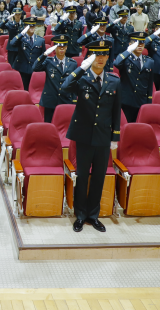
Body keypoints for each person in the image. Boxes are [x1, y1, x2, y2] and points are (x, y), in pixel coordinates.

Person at [62, 40, 121, 233]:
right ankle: (80, 215)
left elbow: (116, 111)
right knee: (83, 176)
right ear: (91, 57)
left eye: (104, 55)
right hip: (84, 135)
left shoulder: (114, 81)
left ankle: (93, 215)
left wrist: (115, 136)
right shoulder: (82, 79)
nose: (101, 58)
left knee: (98, 177)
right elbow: (64, 87)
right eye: (97, 55)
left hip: (103, 137)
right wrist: (81, 69)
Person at [31, 34, 77, 122]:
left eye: (64, 46)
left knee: (63, 126)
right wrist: (44, 55)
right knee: (49, 126)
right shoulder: (49, 61)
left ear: (67, 47)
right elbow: (35, 68)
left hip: (65, 100)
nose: (61, 49)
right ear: (55, 48)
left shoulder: (72, 63)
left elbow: (74, 83)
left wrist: (74, 100)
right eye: (59, 46)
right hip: (50, 100)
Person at [113, 32, 154, 122]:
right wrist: (128, 51)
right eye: (137, 43)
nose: (140, 45)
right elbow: (116, 63)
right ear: (130, 44)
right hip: (126, 100)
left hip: (141, 100)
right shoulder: (126, 59)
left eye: (142, 43)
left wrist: (149, 101)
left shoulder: (149, 61)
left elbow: (149, 84)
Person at [8, 17, 45, 90]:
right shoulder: (21, 38)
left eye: (33, 25)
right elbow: (12, 43)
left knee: (33, 91)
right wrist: (22, 33)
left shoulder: (40, 40)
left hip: (34, 70)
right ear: (25, 27)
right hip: (22, 69)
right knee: (22, 90)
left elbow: (43, 56)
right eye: (29, 26)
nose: (32, 27)